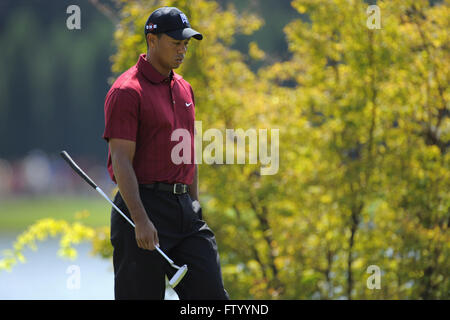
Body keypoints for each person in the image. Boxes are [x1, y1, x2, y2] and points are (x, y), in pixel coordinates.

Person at [102, 6, 229, 300]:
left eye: (185, 44)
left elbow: (188, 152)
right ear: (152, 40)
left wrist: (195, 206)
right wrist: (140, 219)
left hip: (184, 211)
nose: (182, 50)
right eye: (176, 43)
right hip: (142, 208)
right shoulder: (127, 91)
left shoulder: (185, 88)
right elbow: (121, 160)